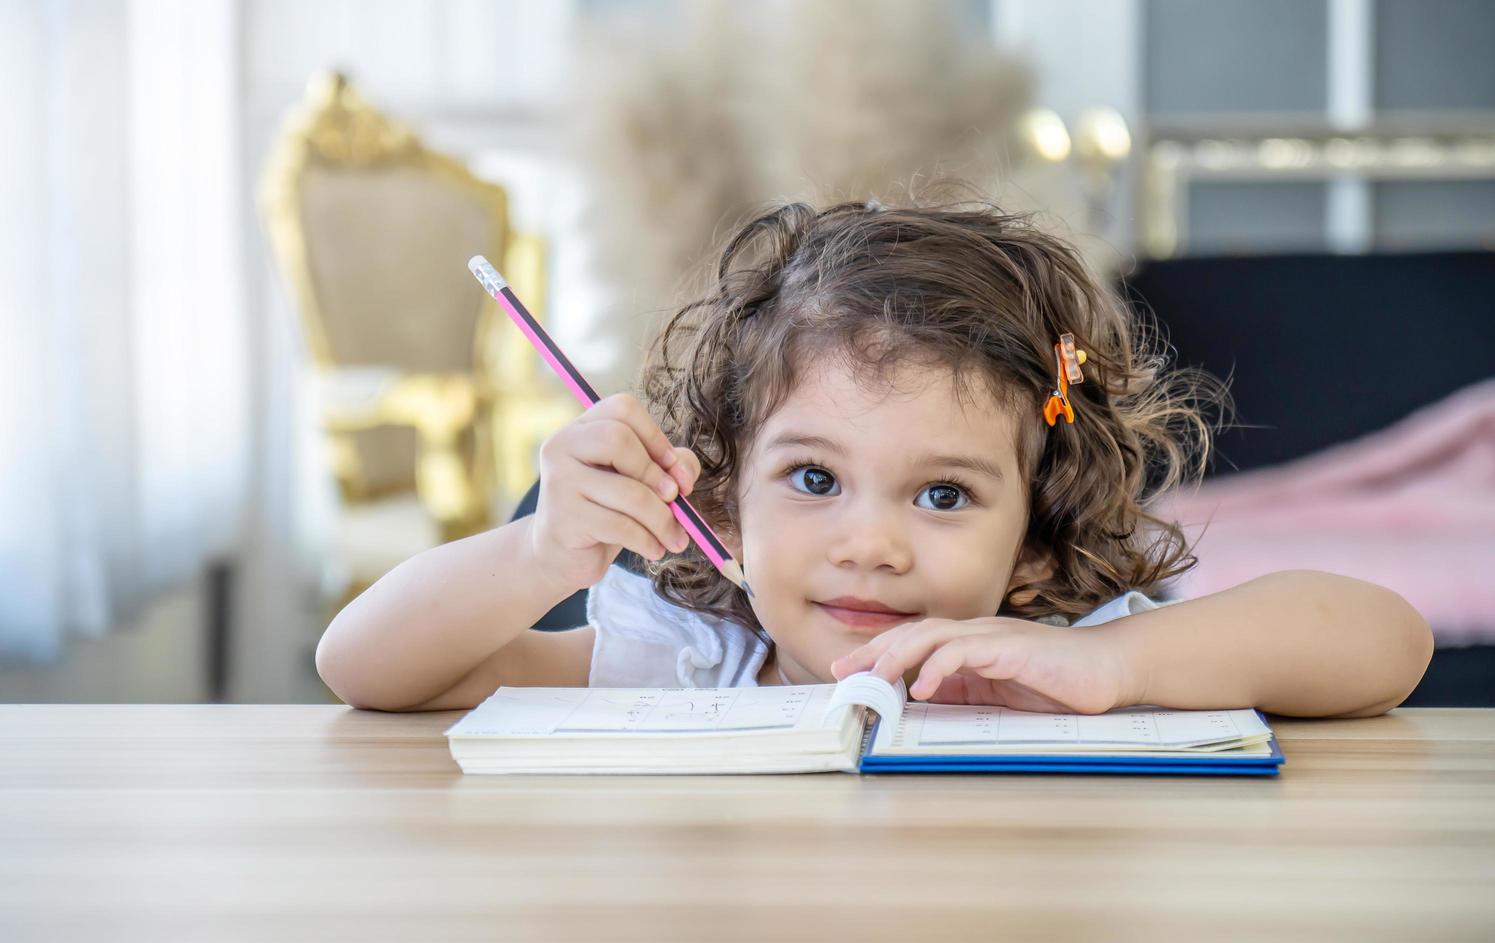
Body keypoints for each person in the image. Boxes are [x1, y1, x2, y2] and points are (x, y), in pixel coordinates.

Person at [316, 199, 1432, 716]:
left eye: (943, 493)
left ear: (1035, 541)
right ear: (722, 499)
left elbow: (1387, 640)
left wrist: (1123, 668)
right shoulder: (694, 665)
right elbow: (365, 669)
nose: (869, 543)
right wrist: (537, 555)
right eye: (813, 478)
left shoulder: (1059, 668)